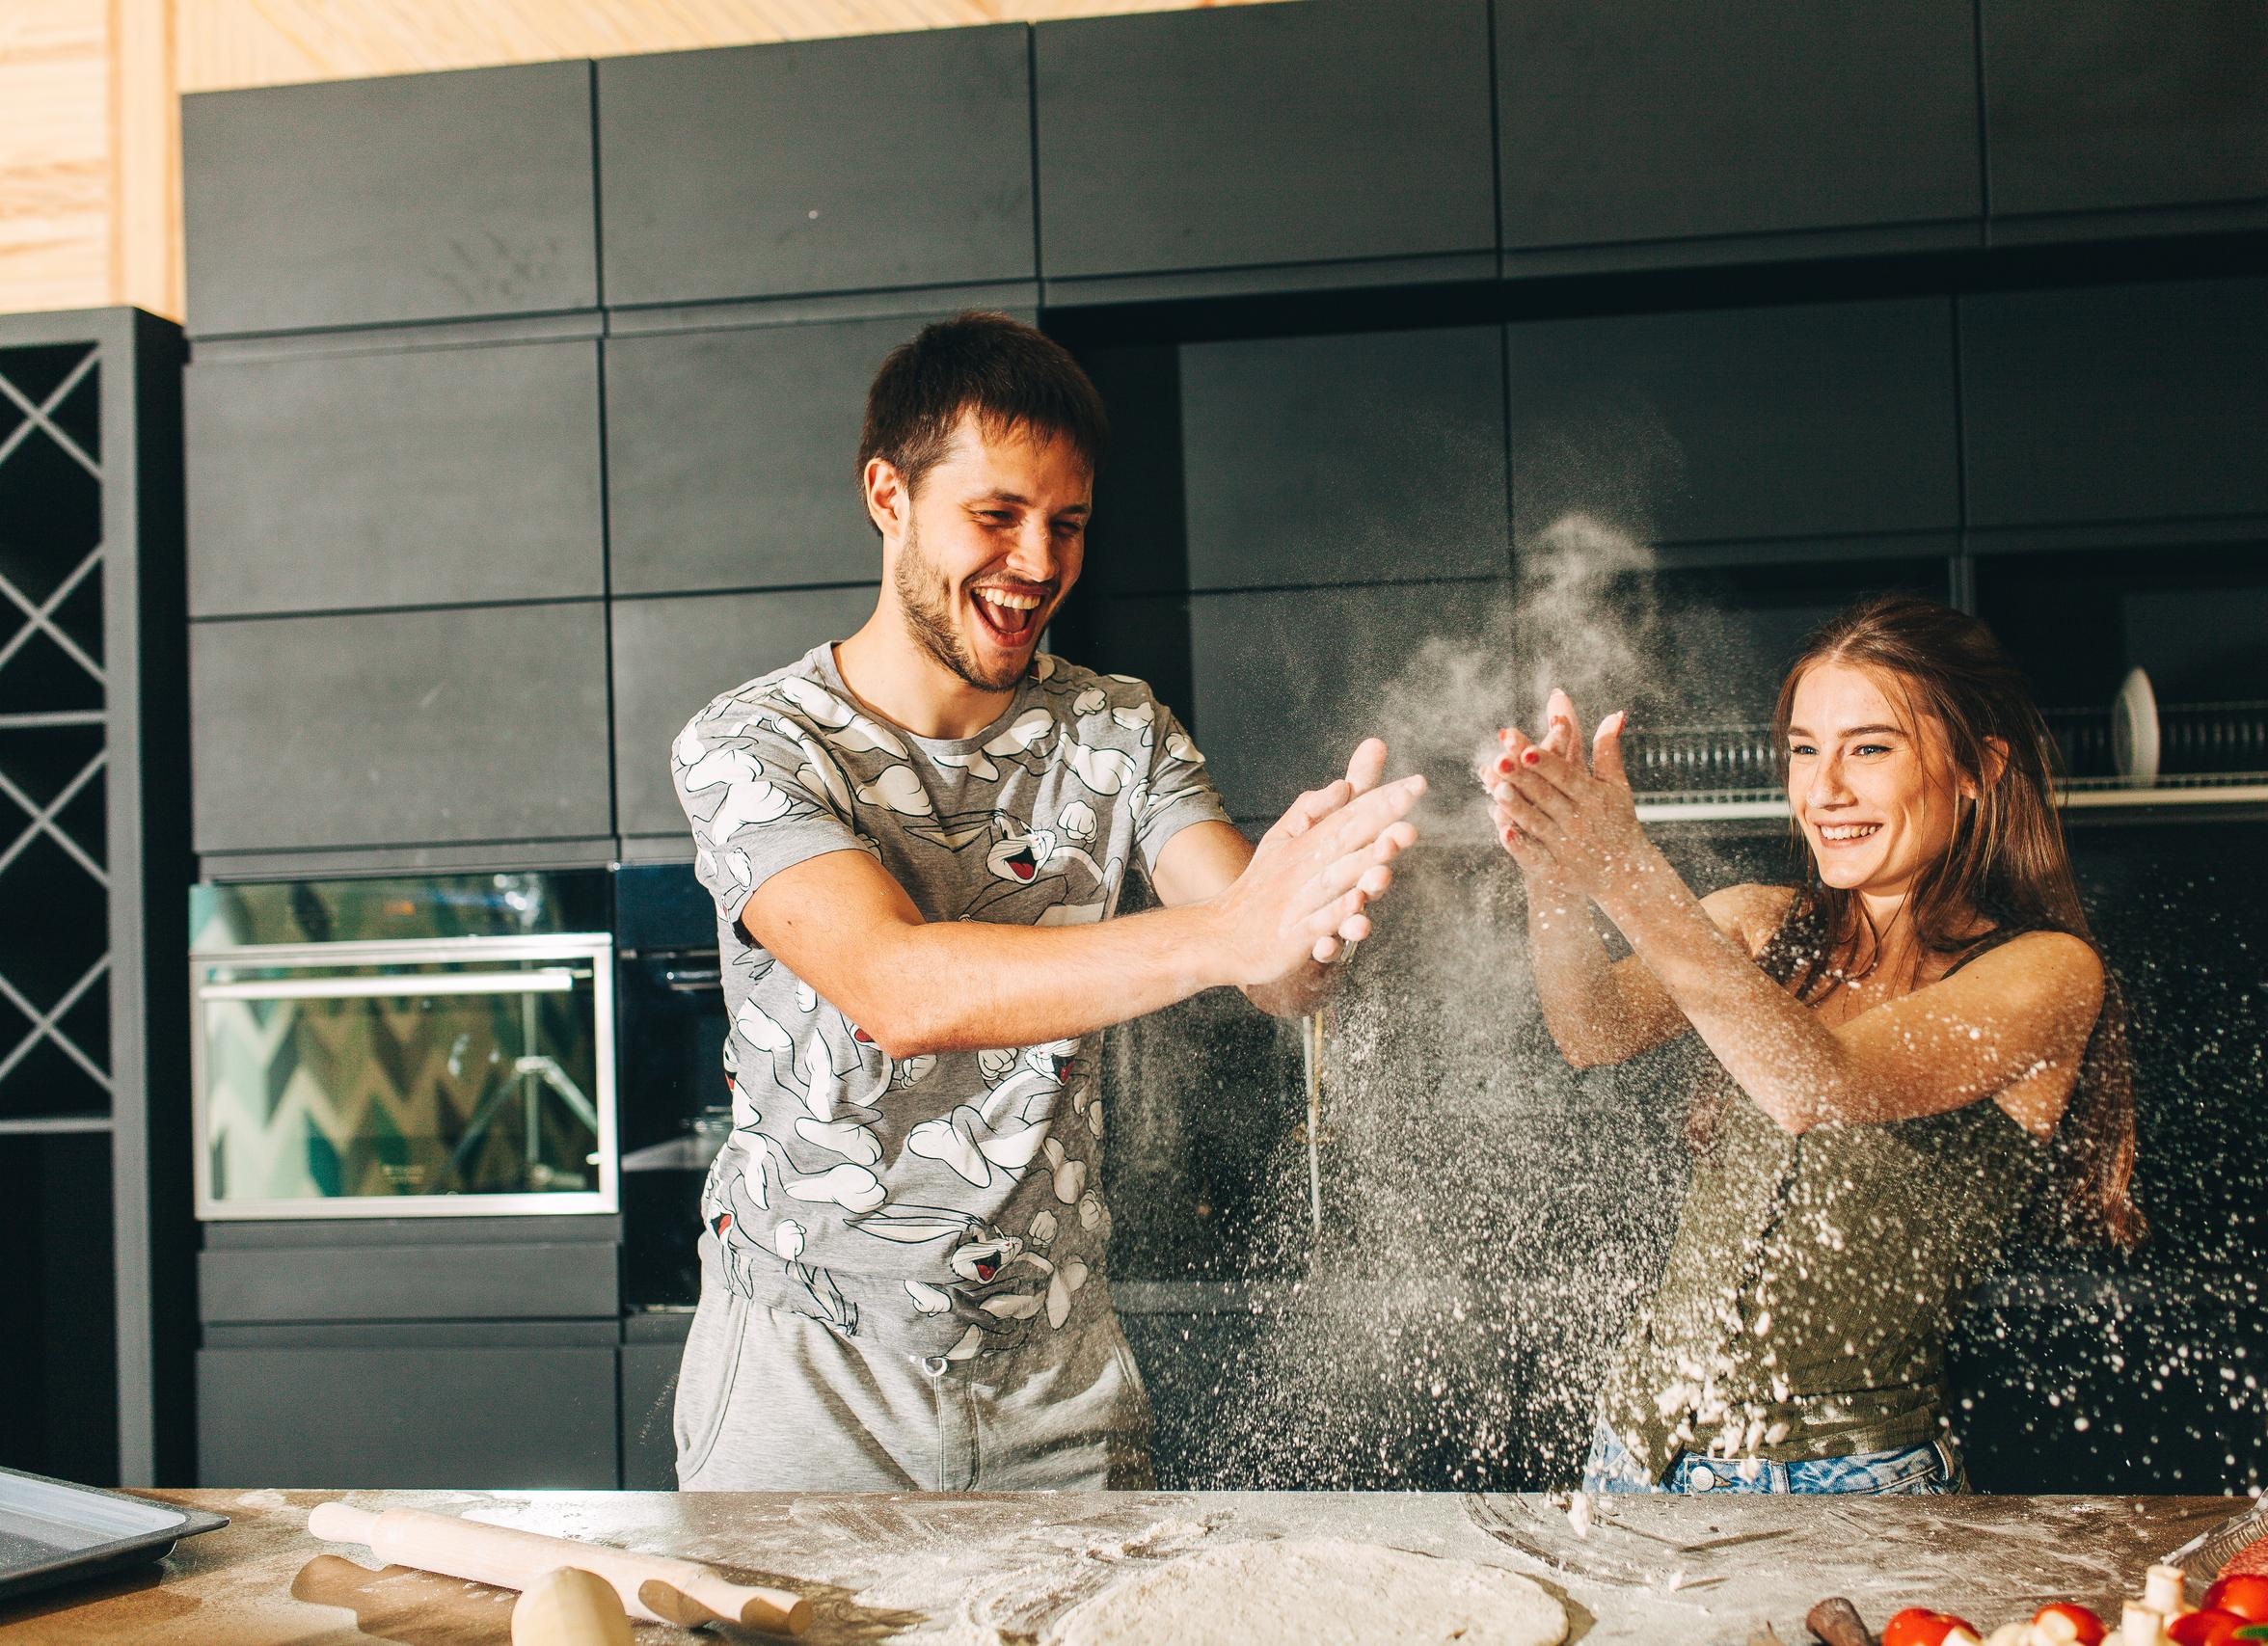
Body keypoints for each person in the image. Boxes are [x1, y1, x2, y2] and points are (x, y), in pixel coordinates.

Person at [668, 311, 1423, 1491]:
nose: (1036, 562)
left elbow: (1269, 964)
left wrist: (1310, 908)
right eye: (996, 515)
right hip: (809, 1381)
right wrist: (1236, 930)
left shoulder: (1118, 728)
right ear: (888, 495)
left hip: (1057, 1376)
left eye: (1065, 524)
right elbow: (896, 988)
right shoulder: (755, 745)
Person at [1483, 593, 2141, 1496]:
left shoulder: (2048, 974)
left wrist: (1626, 870)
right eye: (1804, 749)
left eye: (1869, 748)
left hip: (1852, 1483)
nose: (1824, 789)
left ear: (1978, 768)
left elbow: (1818, 1081)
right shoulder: (1762, 925)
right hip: (1632, 1456)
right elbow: (1591, 1029)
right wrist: (1553, 875)